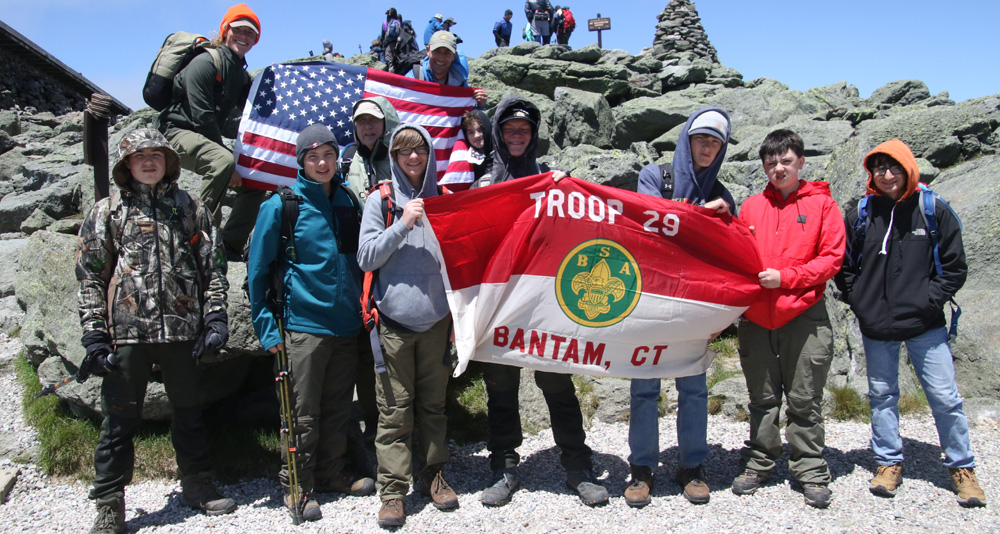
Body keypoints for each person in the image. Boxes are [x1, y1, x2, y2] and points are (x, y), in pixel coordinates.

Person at [77, 128, 233, 534]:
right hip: (127, 334)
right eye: (139, 156)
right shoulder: (106, 211)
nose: (148, 162)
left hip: (182, 333)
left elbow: (213, 268)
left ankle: (197, 484)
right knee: (119, 419)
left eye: (156, 155)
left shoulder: (190, 207)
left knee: (189, 413)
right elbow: (91, 277)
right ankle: (109, 502)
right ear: (126, 164)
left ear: (168, 162)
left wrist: (215, 317)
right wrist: (94, 334)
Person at [471, 97, 607, 508]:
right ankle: (504, 466)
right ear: (498, 133)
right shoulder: (482, 180)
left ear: (533, 136)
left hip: (545, 302)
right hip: (498, 300)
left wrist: (567, 190)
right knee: (500, 388)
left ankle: (577, 464)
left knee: (557, 384)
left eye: (524, 131)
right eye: (510, 130)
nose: (517, 136)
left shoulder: (551, 178)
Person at [835, 139, 987, 507]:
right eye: (879, 169)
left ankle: (962, 468)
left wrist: (927, 303)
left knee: (945, 398)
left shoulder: (932, 209)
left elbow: (954, 268)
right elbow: (844, 267)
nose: (886, 175)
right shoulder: (860, 214)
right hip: (877, 325)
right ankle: (888, 463)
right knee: (882, 396)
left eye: (894, 168)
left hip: (925, 325)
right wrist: (861, 303)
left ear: (908, 169)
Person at [247, 125, 377, 522]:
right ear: (301, 160)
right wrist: (268, 329)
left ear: (338, 158)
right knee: (301, 411)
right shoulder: (281, 205)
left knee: (338, 406)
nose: (322, 163)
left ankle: (330, 470)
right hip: (303, 324)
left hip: (346, 324)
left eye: (328, 155)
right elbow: (257, 270)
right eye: (313, 156)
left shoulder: (348, 200)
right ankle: (297, 485)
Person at [624, 107, 735, 508]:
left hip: (696, 307)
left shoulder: (724, 195)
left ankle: (691, 466)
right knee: (644, 388)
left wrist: (724, 315)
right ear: (686, 139)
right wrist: (703, 217)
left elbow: (729, 260)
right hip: (652, 300)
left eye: (715, 142)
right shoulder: (656, 177)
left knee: (693, 388)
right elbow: (649, 229)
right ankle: (641, 468)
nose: (707, 148)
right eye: (701, 139)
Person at [730, 129, 845, 509]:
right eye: (771, 161)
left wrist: (787, 279)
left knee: (804, 398)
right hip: (757, 318)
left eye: (786, 161)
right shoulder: (750, 207)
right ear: (763, 164)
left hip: (804, 316)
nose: (778, 168)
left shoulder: (823, 206)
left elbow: (831, 259)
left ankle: (810, 469)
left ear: (801, 162)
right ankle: (760, 461)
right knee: (762, 398)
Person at [358, 124, 458, 528]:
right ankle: (393, 493)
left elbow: (461, 262)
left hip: (436, 323)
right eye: (404, 152)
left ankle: (434, 475)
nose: (413, 158)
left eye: (419, 151)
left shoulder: (448, 199)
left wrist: (458, 317)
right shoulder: (379, 200)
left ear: (429, 154)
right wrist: (401, 224)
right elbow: (366, 258)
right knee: (395, 411)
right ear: (394, 156)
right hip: (394, 325)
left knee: (434, 406)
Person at [155, 3, 266, 259]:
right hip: (174, 132)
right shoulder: (205, 63)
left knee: (256, 182)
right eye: (238, 30)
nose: (244, 37)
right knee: (222, 162)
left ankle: (228, 246)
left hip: (202, 138)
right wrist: (230, 166)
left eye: (250, 33)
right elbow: (203, 117)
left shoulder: (240, 74)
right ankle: (194, 237)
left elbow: (254, 113)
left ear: (256, 40)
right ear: (225, 30)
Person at [344, 97, 400, 205]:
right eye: (361, 121)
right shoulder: (346, 158)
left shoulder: (402, 159)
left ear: (387, 123)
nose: (367, 126)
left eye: (374, 119)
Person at [411, 31, 487, 107]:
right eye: (436, 51)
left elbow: (468, 108)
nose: (441, 58)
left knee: (480, 116)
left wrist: (480, 104)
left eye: (447, 53)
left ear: (454, 56)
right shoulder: (415, 76)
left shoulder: (458, 81)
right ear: (428, 50)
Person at [441, 110, 494, 191]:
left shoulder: (502, 155)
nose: (476, 135)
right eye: (471, 132)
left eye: (480, 130)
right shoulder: (465, 161)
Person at [381, 8, 403, 73]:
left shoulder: (385, 22)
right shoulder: (398, 22)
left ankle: (390, 75)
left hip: (388, 44)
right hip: (397, 43)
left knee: (389, 61)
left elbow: (383, 34)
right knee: (396, 59)